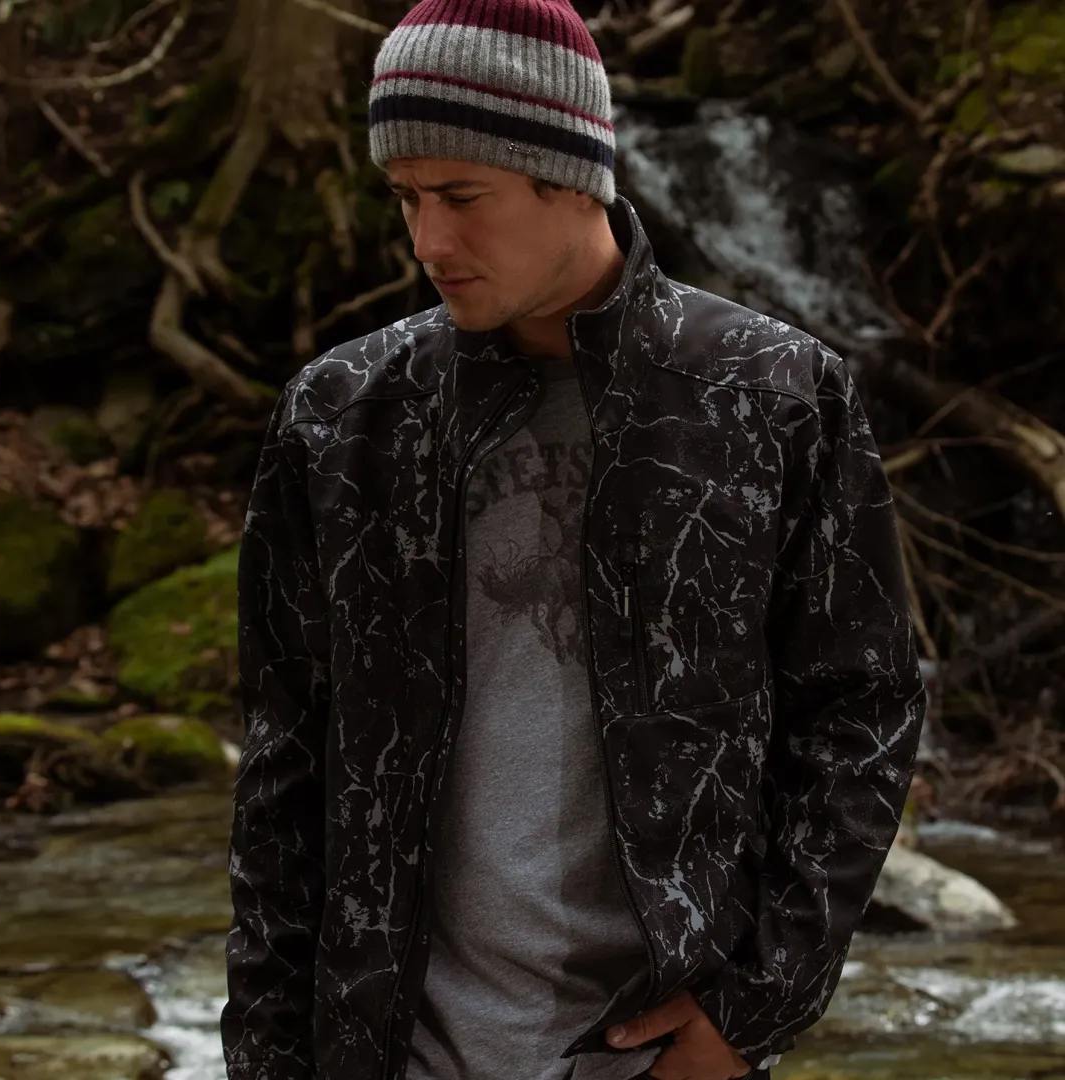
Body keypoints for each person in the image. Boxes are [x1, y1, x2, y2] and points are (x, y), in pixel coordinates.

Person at [219, 0, 926, 1078]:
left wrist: (753, 1009)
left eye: (463, 197)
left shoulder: (773, 396)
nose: (429, 241)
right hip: (386, 1050)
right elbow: (284, 765)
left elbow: (861, 710)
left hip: (652, 1053)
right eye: (406, 197)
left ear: (573, 175)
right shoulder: (343, 414)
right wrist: (265, 1061)